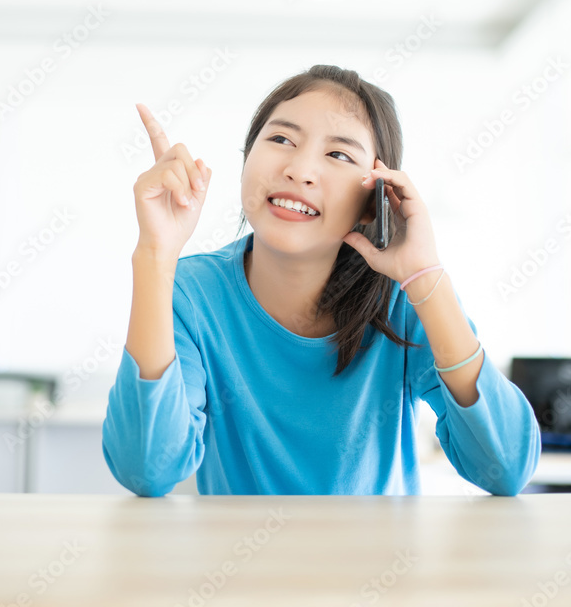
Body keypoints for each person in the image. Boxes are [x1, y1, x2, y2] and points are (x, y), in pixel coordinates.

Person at [101, 64, 541, 496]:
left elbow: (505, 469)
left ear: (375, 200)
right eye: (281, 139)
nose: (300, 169)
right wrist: (155, 254)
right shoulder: (193, 291)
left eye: (338, 154)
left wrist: (425, 278)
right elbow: (146, 471)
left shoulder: (403, 298)